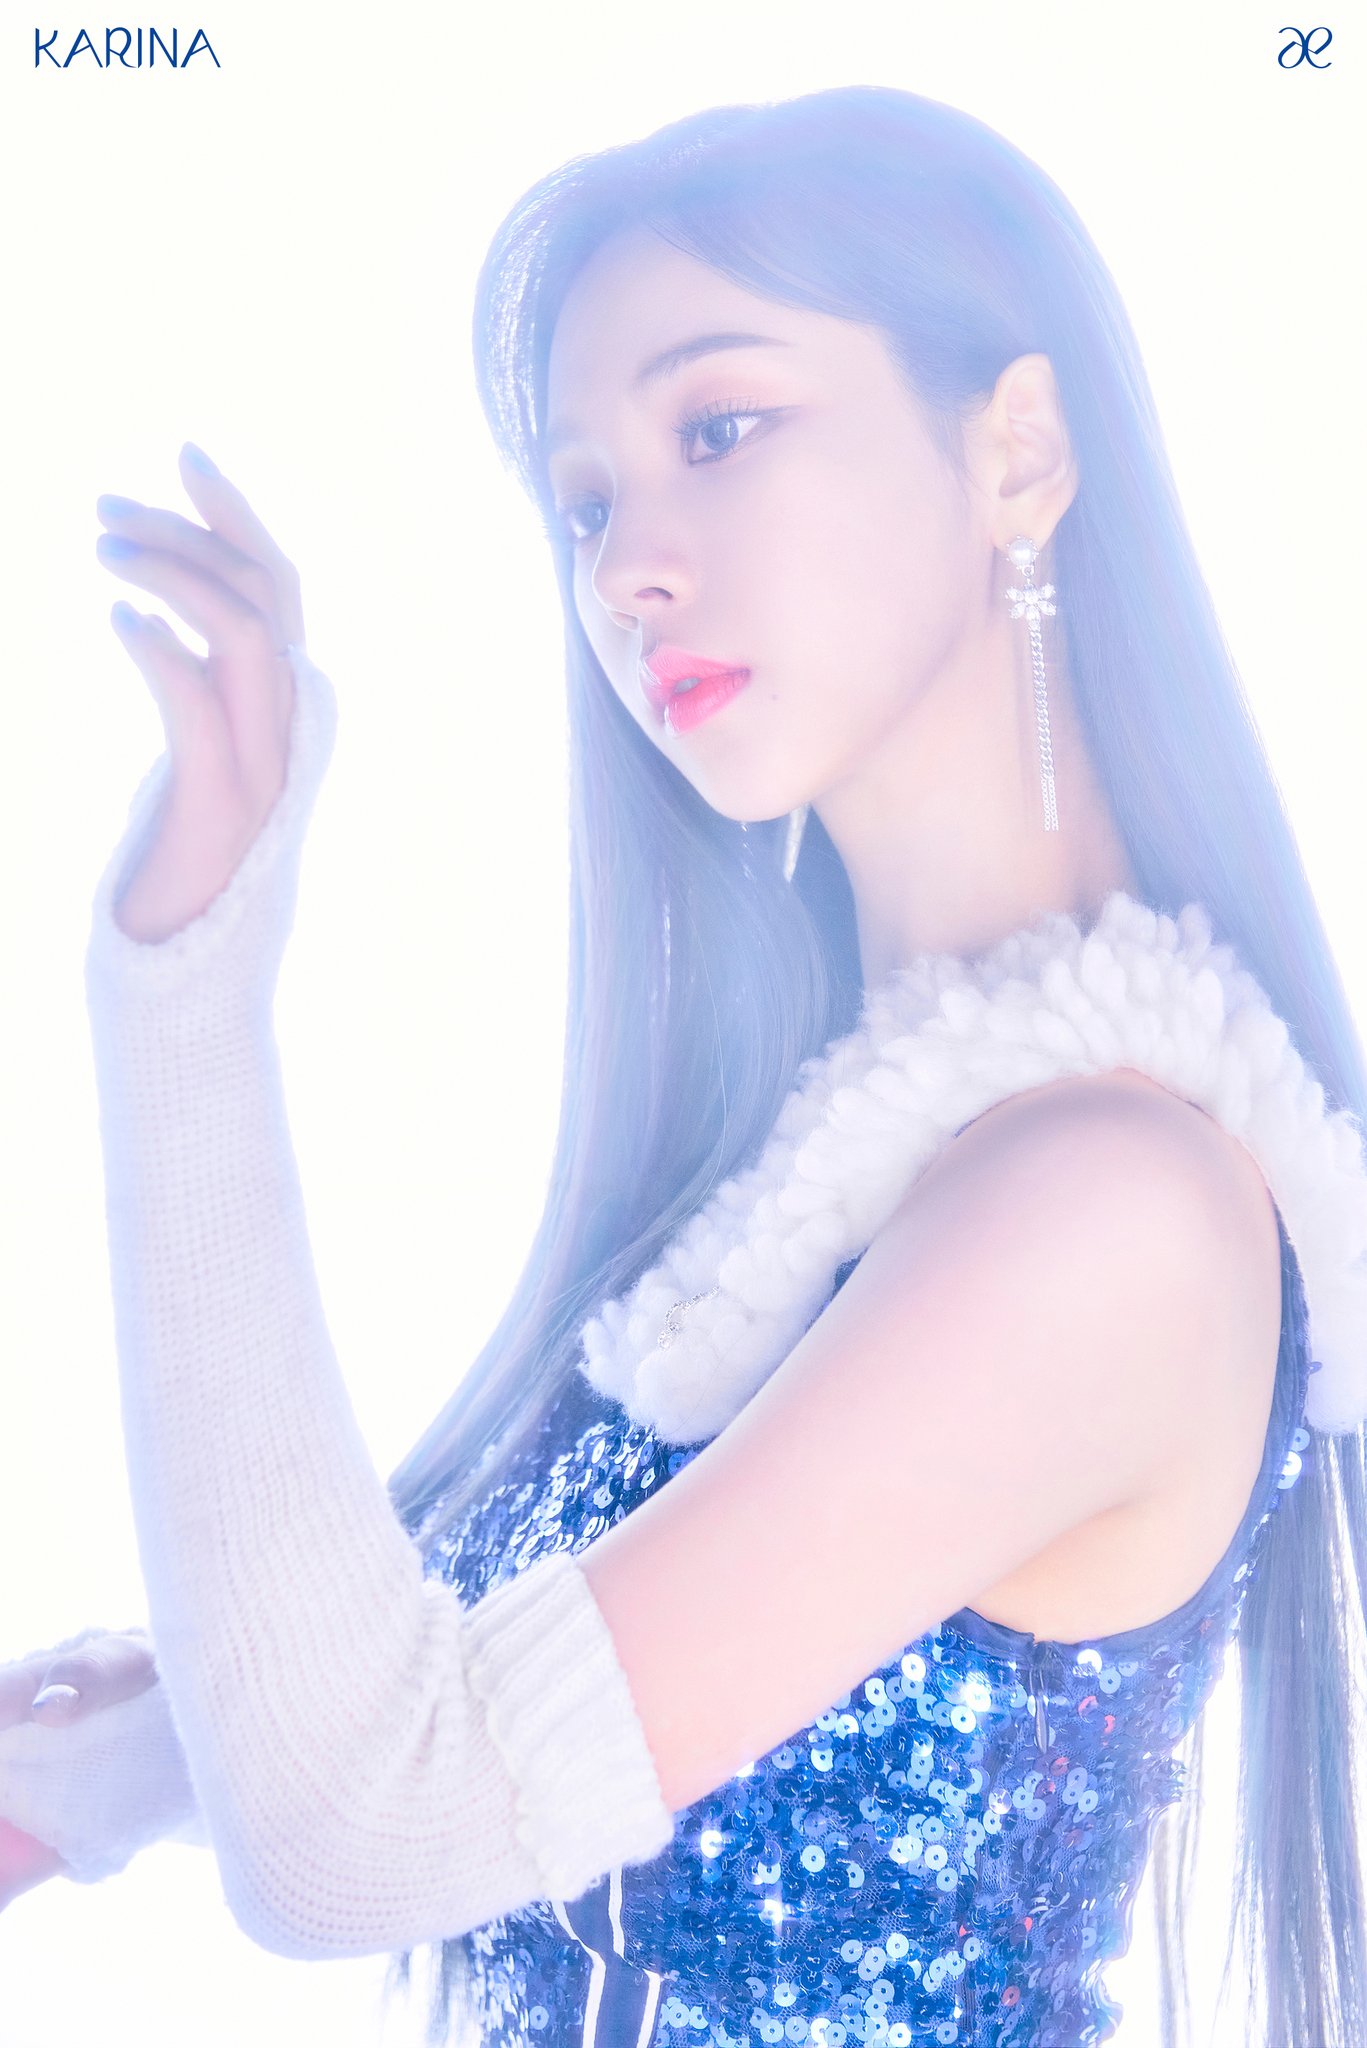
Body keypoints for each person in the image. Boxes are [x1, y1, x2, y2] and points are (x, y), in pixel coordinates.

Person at [2, 82, 1366, 2048]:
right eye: (584, 503)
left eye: (718, 429)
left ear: (1019, 452)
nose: (626, 567)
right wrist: (126, 1756)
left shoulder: (1111, 1211)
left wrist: (183, 986)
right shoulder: (826, 1198)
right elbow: (466, 1727)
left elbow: (360, 1834)